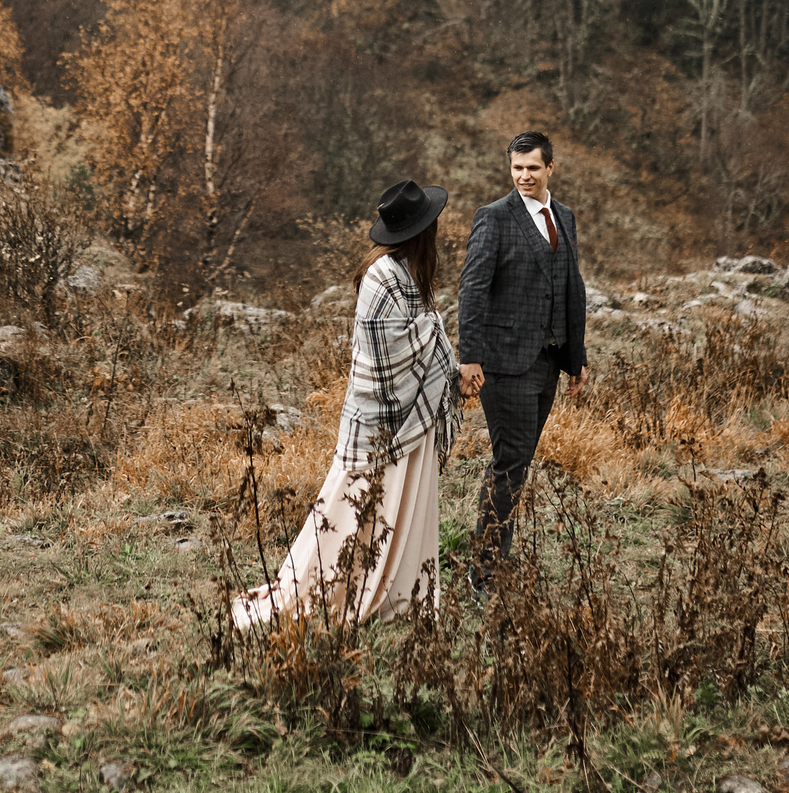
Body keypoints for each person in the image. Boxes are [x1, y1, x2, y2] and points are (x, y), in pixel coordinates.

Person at [233, 178, 473, 629]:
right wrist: (435, 332)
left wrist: (437, 345)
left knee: (397, 509)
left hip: (409, 416)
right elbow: (389, 354)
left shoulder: (406, 272)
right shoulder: (384, 277)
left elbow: (416, 339)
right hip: (382, 418)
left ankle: (401, 589)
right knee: (352, 509)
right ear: (422, 232)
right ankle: (344, 589)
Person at [456, 129, 590, 586]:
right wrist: (468, 357)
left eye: (533, 167)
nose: (524, 176)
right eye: (517, 168)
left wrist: (576, 357)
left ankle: (490, 558)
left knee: (518, 463)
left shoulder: (565, 217)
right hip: (504, 361)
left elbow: (572, 285)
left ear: (550, 168)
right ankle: (486, 572)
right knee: (511, 464)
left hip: (548, 362)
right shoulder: (493, 218)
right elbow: (472, 289)